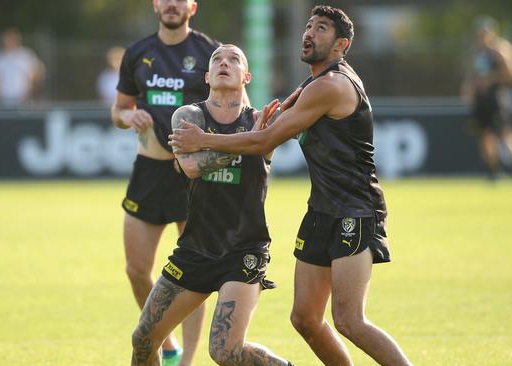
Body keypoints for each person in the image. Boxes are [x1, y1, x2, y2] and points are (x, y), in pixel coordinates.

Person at [171, 6, 412, 365]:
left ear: (341, 45)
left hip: (356, 210)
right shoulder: (311, 84)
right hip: (321, 211)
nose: (309, 33)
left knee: (349, 320)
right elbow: (267, 130)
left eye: (322, 28)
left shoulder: (333, 85)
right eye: (309, 26)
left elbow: (263, 142)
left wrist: (204, 140)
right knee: (305, 319)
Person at [130, 44, 296, 366]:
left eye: (234, 59)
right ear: (206, 76)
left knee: (225, 352)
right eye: (217, 59)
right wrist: (249, 142)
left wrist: (254, 138)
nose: (224, 63)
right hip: (196, 249)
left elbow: (263, 141)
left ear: (246, 76)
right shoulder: (189, 116)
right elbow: (192, 166)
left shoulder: (262, 122)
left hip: (244, 250)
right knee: (143, 340)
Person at [111, 0, 219, 364]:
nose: (172, 4)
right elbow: (118, 109)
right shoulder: (138, 52)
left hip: (193, 176)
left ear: (192, 6)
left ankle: (185, 361)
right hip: (148, 172)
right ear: (156, 5)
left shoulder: (209, 51)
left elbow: (236, 104)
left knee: (195, 276)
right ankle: (167, 345)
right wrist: (129, 116)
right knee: (137, 271)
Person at [461, 16, 512, 188]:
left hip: (497, 97)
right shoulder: (478, 52)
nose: (482, 36)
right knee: (485, 135)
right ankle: (494, 172)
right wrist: (469, 88)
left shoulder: (500, 49)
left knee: (506, 133)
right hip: (481, 100)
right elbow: (472, 76)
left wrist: (491, 79)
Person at [0, 28, 45, 106]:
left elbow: (38, 72)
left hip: (24, 100)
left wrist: (32, 90)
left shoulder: (26, 55)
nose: (9, 42)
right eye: (7, 39)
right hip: (2, 101)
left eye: (12, 39)